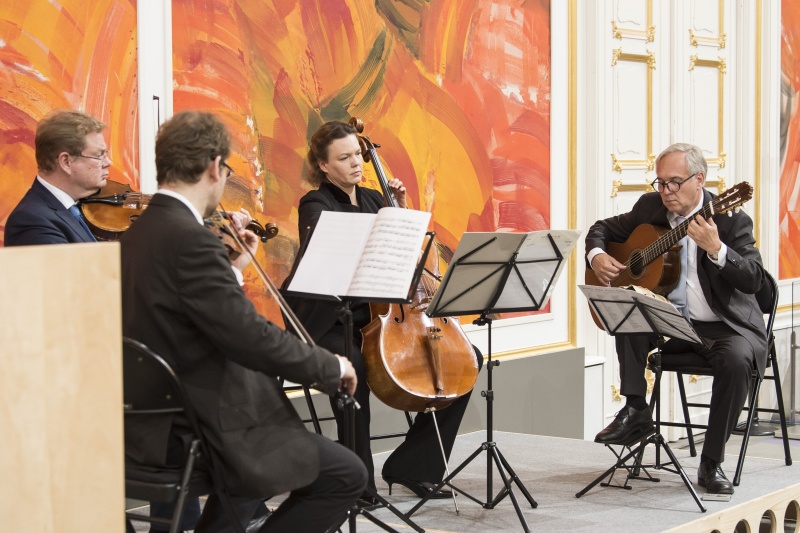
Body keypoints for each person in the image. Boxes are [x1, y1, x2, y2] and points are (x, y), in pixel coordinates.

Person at [121, 110, 367, 533]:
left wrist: (233, 268)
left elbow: (196, 315)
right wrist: (329, 366)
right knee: (345, 474)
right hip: (199, 426)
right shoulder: (190, 239)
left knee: (252, 479)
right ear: (214, 167)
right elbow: (249, 336)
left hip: (150, 422)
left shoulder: (137, 234)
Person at [283, 120, 483, 504]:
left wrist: (401, 212)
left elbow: (410, 258)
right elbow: (331, 244)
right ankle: (358, 483)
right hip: (332, 317)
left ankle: (414, 466)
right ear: (323, 165)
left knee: (466, 359)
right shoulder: (315, 203)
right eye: (344, 158)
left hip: (386, 316)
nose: (356, 163)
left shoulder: (376, 199)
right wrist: (388, 221)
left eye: (358, 155)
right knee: (353, 366)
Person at [585, 142, 767, 495]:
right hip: (672, 324)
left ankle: (711, 462)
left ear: (699, 179)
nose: (666, 191)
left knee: (736, 361)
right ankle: (636, 410)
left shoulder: (731, 220)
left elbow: (755, 280)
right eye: (661, 182)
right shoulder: (650, 207)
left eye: (675, 182)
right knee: (629, 309)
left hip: (723, 326)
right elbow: (601, 228)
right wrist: (596, 255)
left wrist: (717, 250)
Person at [5, 110, 111, 246]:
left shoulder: (79, 205)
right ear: (66, 162)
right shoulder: (33, 222)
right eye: (98, 155)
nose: (108, 162)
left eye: (105, 154)